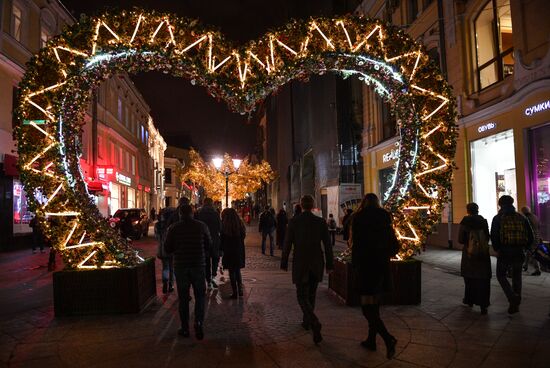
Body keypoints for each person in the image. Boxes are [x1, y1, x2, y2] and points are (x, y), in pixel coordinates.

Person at [281, 195, 333, 345]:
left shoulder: (294, 222)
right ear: (312, 206)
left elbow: (287, 243)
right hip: (316, 261)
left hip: (301, 261)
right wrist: (329, 264)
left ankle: (313, 321)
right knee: (311, 294)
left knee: (301, 295)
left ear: (301, 206)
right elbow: (328, 245)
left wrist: (284, 261)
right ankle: (307, 321)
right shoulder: (320, 222)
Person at [351, 193, 398, 359]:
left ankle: (388, 338)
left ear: (364, 202)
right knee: (375, 304)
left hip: (366, 266)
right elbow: (394, 245)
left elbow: (355, 243)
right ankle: (371, 340)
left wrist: (354, 263)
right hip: (381, 266)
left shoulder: (359, 218)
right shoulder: (385, 217)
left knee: (366, 307)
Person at [164, 204, 212, 339]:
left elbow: (167, 248)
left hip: (181, 266)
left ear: (180, 214)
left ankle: (185, 327)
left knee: (183, 298)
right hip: (198, 265)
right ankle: (198, 322)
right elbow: (209, 244)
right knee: (200, 296)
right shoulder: (201, 226)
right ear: (193, 213)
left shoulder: (174, 228)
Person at [490, 195, 534, 314]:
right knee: (517, 277)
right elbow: (531, 235)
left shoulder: (498, 218)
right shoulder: (521, 217)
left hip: (504, 251)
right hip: (519, 251)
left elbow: (494, 235)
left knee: (501, 275)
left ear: (500, 204)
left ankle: (512, 297)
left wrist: (497, 248)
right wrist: (526, 247)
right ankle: (515, 305)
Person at [458, 203, 491, 315]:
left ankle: (469, 300)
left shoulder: (465, 221)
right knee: (483, 279)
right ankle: (483, 305)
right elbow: (487, 237)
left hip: (469, 253)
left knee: (469, 278)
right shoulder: (484, 221)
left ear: (468, 210)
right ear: (478, 210)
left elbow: (460, 239)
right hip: (483, 253)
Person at [195, 198, 222, 289]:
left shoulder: (199, 213)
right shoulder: (216, 214)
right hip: (214, 239)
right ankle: (213, 276)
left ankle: (208, 280)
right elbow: (219, 227)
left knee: (206, 261)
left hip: (202, 240)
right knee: (215, 259)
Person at [220, 208, 246, 298]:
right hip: (238, 249)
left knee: (232, 272)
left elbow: (222, 240)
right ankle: (240, 290)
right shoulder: (240, 224)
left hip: (229, 250)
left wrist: (221, 250)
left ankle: (235, 292)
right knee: (237, 271)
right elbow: (243, 236)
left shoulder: (225, 226)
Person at [155, 209, 174, 294]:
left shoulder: (158, 225)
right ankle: (171, 285)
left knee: (165, 267)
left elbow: (156, 237)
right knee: (172, 268)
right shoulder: (172, 225)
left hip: (162, 249)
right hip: (171, 249)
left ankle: (165, 282)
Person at [521, 206, 542, 276]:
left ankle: (537, 269)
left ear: (523, 212)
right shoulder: (535, 217)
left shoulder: (526, 218)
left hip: (531, 238)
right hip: (537, 237)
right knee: (529, 252)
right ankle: (525, 265)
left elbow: (525, 229)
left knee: (532, 253)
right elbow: (539, 227)